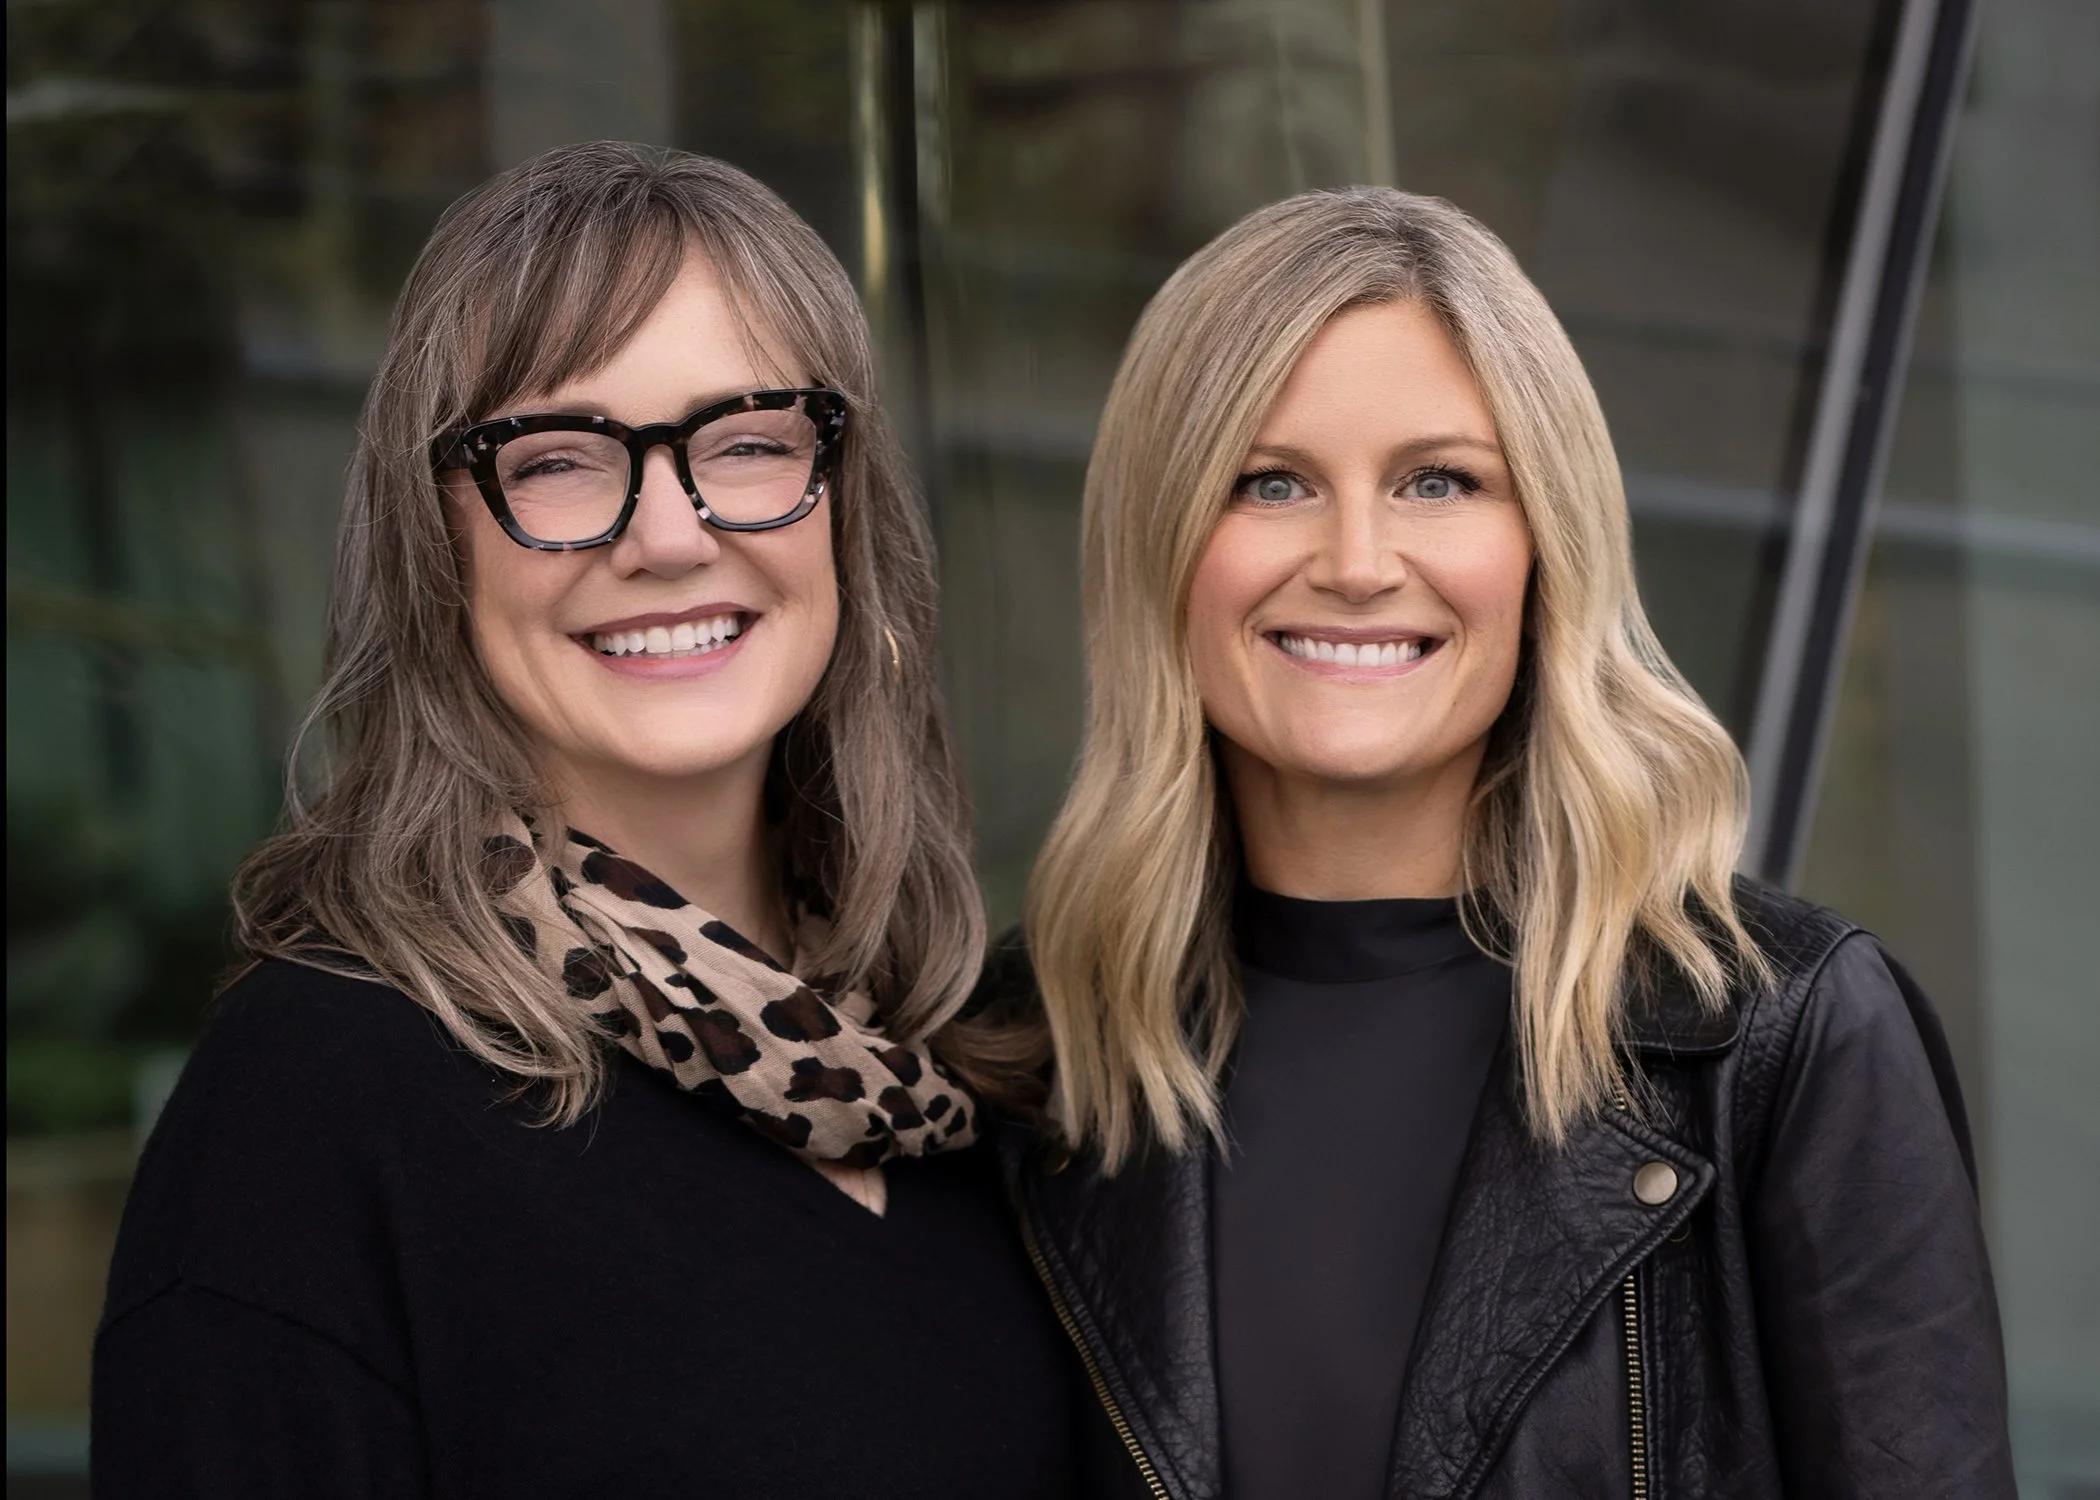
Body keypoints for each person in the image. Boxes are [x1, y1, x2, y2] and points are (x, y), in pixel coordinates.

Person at [991, 188, 2015, 1499]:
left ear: (1544, 547)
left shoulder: (1779, 1039)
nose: (1358, 561)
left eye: (1440, 481)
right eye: (1270, 481)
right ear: (1159, 544)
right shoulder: (1023, 1056)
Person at [92, 142, 1077, 1498]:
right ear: (433, 546)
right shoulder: (315, 1112)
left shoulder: (962, 1077)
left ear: (845, 507)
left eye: (747, 441)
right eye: (557, 459)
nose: (667, 535)